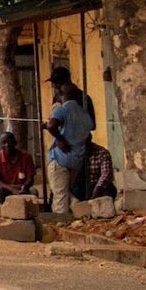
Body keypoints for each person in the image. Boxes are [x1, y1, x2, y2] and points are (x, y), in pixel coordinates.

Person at [45, 82, 93, 214]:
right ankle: (77, 207)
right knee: (65, 192)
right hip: (76, 160)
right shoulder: (84, 114)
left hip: (60, 158)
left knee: (60, 197)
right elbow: (89, 132)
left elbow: (51, 125)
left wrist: (60, 139)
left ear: (61, 95)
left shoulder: (62, 109)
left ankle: (60, 226)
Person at [0, 131, 36, 205]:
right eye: (4, 143)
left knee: (33, 191)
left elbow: (31, 178)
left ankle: (29, 214)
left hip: (21, 187)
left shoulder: (26, 156)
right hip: (5, 187)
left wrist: (25, 186)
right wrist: (12, 190)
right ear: (1, 144)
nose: (7, 145)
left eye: (9, 142)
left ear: (15, 143)